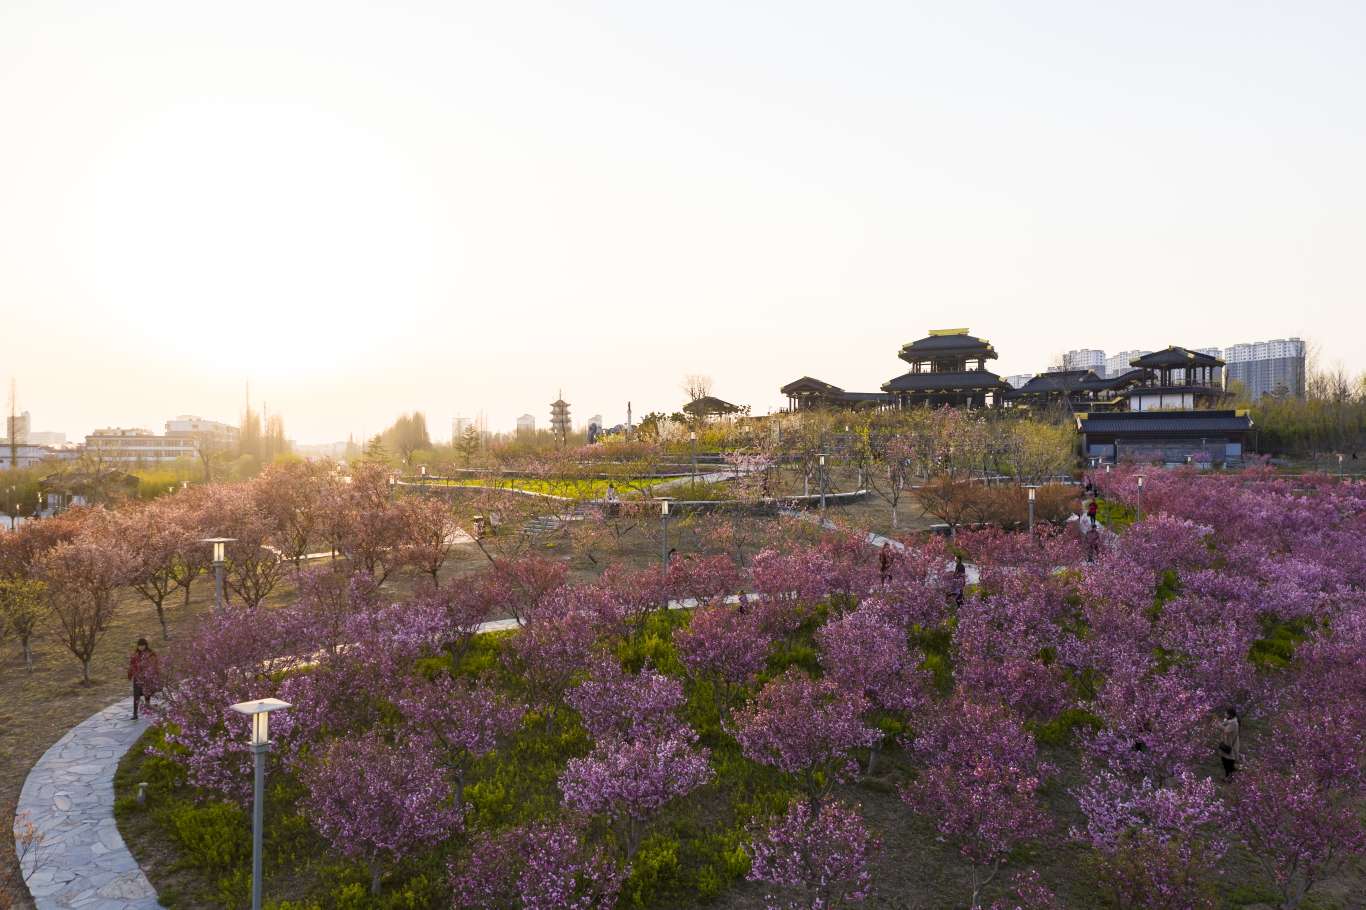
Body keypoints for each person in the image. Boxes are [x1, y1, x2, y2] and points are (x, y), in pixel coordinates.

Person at [127, 638, 160, 721]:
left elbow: (154, 664)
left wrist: (154, 674)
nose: (141, 647)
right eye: (139, 646)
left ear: (146, 645)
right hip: (137, 677)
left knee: (147, 693)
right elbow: (131, 665)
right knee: (136, 695)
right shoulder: (135, 654)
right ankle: (135, 714)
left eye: (142, 645)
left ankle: (147, 706)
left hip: (147, 677)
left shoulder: (151, 654)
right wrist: (130, 674)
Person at [1217, 707, 1241, 779]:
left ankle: (1229, 777)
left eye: (1226, 713)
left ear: (1230, 714)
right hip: (1227, 742)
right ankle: (1229, 775)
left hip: (1230, 743)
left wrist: (1219, 725)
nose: (1225, 714)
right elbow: (1225, 724)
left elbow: (1226, 730)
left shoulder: (1233, 723)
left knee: (1228, 760)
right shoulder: (1230, 720)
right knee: (1225, 759)